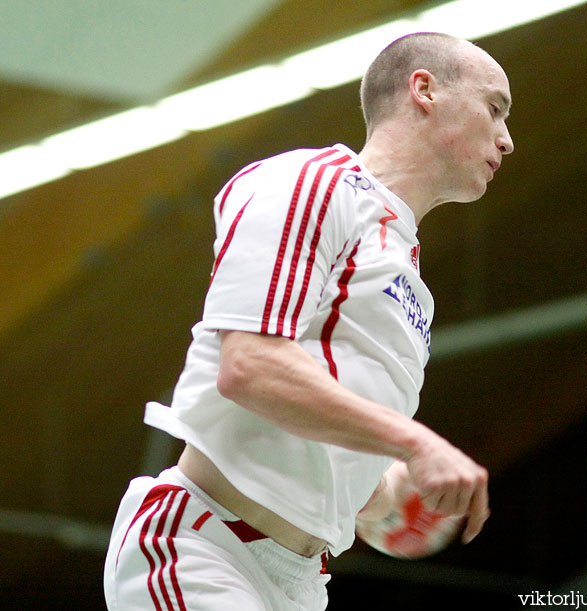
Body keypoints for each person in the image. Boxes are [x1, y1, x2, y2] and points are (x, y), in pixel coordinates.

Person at [103, 31, 514, 611]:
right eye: (494, 108)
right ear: (424, 89)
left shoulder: (410, 279)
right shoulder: (312, 183)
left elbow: (315, 427)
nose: (508, 139)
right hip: (201, 547)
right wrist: (418, 443)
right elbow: (250, 366)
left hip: (299, 581)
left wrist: (386, 488)